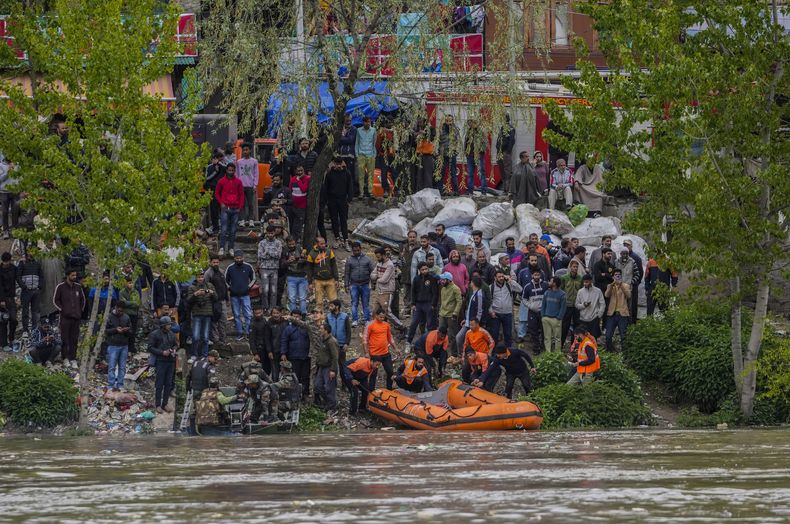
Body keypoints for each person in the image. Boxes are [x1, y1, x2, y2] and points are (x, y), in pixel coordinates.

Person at [53, 269, 85, 369]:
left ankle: (73, 359)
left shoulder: (78, 287)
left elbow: (83, 300)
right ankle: (65, 358)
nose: (74, 277)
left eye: (75, 275)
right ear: (67, 276)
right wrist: (63, 310)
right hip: (65, 318)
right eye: (72, 275)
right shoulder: (60, 287)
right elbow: (55, 300)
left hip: (76, 318)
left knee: (74, 339)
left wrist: (79, 312)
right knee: (65, 338)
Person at [363, 309, 401, 389]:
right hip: (375, 354)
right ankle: (371, 391)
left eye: (383, 317)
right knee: (373, 373)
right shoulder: (370, 325)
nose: (382, 319)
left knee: (390, 371)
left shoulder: (386, 325)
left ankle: (389, 389)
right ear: (376, 315)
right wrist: (366, 352)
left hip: (385, 353)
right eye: (380, 317)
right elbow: (365, 339)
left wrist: (396, 348)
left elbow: (390, 338)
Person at [149, 316, 178, 413]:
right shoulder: (155, 334)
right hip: (161, 361)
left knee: (168, 383)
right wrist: (162, 352)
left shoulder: (172, 334)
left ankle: (165, 403)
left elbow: (175, 344)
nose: (170, 326)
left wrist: (173, 349)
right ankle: (158, 405)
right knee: (159, 384)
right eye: (168, 324)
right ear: (163, 325)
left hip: (170, 361)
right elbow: (150, 347)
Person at [323, 155, 354, 247]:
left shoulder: (347, 173)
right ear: (334, 164)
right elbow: (326, 187)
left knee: (343, 220)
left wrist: (349, 199)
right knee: (334, 219)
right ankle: (337, 238)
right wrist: (326, 200)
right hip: (332, 200)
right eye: (337, 163)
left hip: (343, 199)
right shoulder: (329, 173)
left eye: (340, 163)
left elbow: (350, 187)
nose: (339, 166)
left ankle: (345, 239)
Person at [215, 162, 244, 257]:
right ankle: (222, 248)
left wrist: (240, 207)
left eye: (232, 170)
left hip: (235, 208)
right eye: (229, 170)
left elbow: (241, 195)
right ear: (226, 170)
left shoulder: (239, 182)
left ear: (234, 171)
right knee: (223, 229)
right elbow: (216, 193)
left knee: (233, 230)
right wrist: (221, 203)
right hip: (225, 208)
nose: (230, 172)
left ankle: (231, 248)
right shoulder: (221, 181)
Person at [281, 309, 311, 399]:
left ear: (301, 317)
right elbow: (284, 341)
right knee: (295, 376)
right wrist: (283, 353)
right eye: (294, 316)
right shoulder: (288, 329)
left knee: (305, 376)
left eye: (297, 316)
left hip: (306, 356)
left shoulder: (306, 328)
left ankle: (305, 392)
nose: (296, 318)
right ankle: (296, 394)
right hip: (293, 356)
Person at [370, 247, 403, 329]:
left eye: (378, 257)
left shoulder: (390, 265)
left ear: (384, 255)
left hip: (387, 292)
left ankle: (401, 327)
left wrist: (377, 277)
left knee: (387, 312)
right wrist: (378, 277)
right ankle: (376, 328)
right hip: (379, 291)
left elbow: (384, 280)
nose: (377, 258)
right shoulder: (379, 263)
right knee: (375, 311)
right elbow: (372, 275)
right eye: (376, 257)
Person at [225, 250, 256, 337]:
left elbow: (253, 278)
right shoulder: (230, 268)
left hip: (246, 295)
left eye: (240, 258)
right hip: (234, 296)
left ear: (243, 257)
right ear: (234, 258)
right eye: (237, 258)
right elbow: (225, 280)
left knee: (248, 314)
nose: (238, 260)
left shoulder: (248, 266)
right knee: (236, 315)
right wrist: (230, 288)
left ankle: (248, 332)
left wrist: (248, 287)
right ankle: (239, 332)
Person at [488, 268, 521, 349]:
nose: (501, 278)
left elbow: (520, 289)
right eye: (499, 277)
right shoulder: (491, 287)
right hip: (496, 314)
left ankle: (508, 352)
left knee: (508, 334)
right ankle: (495, 352)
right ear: (495, 278)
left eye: (502, 276)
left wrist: (510, 280)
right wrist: (491, 311)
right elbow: (488, 302)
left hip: (507, 313)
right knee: (495, 334)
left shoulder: (509, 285)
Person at [186, 273, 216, 358]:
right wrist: (195, 294)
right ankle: (194, 354)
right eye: (199, 277)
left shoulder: (209, 285)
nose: (200, 279)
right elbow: (188, 300)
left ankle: (204, 356)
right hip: (197, 314)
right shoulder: (192, 287)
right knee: (195, 337)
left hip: (207, 313)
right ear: (196, 278)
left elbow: (216, 298)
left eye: (202, 277)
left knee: (206, 338)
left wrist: (212, 293)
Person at [344, 241, 373, 327]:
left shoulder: (367, 259)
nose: (356, 252)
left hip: (365, 284)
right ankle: (354, 320)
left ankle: (367, 320)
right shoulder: (349, 260)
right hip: (354, 285)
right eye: (354, 250)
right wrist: (346, 285)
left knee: (365, 303)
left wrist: (373, 283)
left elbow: (373, 271)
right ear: (352, 250)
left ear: (361, 249)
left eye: (358, 250)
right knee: (354, 303)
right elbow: (347, 274)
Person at [408, 263, 439, 342]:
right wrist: (413, 304)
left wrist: (433, 304)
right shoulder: (416, 279)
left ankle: (430, 342)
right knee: (413, 323)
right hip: (418, 304)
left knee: (430, 324)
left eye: (426, 269)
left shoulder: (432, 278)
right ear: (419, 270)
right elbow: (413, 292)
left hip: (428, 304)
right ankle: (408, 341)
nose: (425, 271)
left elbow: (435, 293)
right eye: (423, 270)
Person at [105, 301, 131, 391]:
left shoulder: (126, 317)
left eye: (122, 311)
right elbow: (106, 331)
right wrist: (115, 330)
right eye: (119, 310)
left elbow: (131, 332)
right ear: (115, 308)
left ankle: (120, 384)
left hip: (124, 345)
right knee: (112, 366)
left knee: (122, 367)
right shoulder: (109, 317)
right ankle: (111, 385)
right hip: (113, 345)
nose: (120, 312)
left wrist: (126, 330)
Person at [518, 270, 547, 351]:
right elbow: (524, 299)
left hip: (543, 312)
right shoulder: (527, 286)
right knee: (533, 329)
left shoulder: (545, 285)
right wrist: (530, 306)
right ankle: (536, 347)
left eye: (538, 275)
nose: (537, 277)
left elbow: (548, 296)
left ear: (540, 275)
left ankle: (543, 346)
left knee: (543, 329)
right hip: (532, 311)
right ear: (532, 275)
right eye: (535, 275)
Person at [306, 237, 339, 308]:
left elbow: (334, 265)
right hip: (318, 281)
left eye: (324, 243)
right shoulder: (311, 254)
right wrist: (310, 282)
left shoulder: (329, 251)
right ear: (316, 244)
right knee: (319, 302)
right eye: (321, 244)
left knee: (334, 301)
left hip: (330, 279)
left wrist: (336, 279)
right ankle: (320, 318)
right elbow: (309, 269)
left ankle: (336, 318)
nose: (323, 245)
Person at [461, 317, 495, 383]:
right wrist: (463, 356)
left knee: (484, 372)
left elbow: (492, 342)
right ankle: (466, 383)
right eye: (470, 325)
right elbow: (465, 344)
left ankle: (483, 386)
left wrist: (489, 353)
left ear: (477, 324)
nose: (470, 327)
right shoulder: (468, 333)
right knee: (465, 369)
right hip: (472, 355)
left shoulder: (483, 332)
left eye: (472, 325)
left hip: (482, 356)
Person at [455, 276, 486, 350]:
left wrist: (476, 323)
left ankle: (465, 355)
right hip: (469, 322)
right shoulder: (474, 293)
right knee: (459, 338)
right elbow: (470, 309)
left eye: (471, 282)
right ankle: (463, 354)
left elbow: (479, 311)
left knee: (461, 338)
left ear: (473, 283)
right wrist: (466, 319)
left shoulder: (479, 294)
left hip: (473, 324)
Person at [314, 322, 339, 411]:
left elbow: (335, 357)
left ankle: (332, 405)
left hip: (329, 367)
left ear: (326, 331)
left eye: (321, 329)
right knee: (317, 385)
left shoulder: (332, 341)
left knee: (329, 388)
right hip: (321, 366)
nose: (319, 330)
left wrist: (333, 370)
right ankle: (327, 401)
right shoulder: (322, 339)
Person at [257, 226, 283, 311]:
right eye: (269, 233)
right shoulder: (262, 243)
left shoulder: (278, 243)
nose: (270, 235)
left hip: (274, 268)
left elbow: (278, 256)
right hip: (264, 268)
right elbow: (260, 255)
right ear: (266, 233)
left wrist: (268, 252)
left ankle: (273, 308)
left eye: (272, 233)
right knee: (265, 290)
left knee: (274, 290)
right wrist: (271, 253)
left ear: (274, 233)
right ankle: (265, 307)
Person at [605, 268, 631, 352]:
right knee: (608, 336)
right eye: (616, 275)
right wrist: (611, 285)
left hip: (622, 314)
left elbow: (628, 295)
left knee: (623, 336)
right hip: (611, 314)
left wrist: (621, 285)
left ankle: (624, 354)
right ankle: (610, 352)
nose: (617, 277)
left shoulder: (626, 285)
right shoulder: (610, 286)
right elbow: (606, 295)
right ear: (613, 276)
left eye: (619, 275)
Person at [437, 271, 462, 359]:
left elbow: (459, 302)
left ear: (449, 280)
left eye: (443, 280)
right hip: (442, 313)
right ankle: (440, 351)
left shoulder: (456, 289)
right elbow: (441, 301)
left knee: (452, 335)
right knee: (440, 333)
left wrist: (455, 313)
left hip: (451, 315)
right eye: (441, 280)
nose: (441, 281)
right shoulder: (443, 288)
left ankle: (453, 354)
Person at [204, 256, 229, 344]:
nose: (216, 264)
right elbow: (205, 287)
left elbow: (225, 286)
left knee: (223, 320)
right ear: (210, 263)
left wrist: (227, 298)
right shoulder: (208, 273)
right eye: (214, 262)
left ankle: (223, 338)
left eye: (217, 262)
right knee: (214, 320)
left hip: (222, 300)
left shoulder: (222, 271)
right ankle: (215, 339)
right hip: (213, 301)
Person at [17, 251, 42, 334]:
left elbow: (41, 275)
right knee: (25, 311)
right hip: (26, 291)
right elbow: (18, 276)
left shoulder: (37, 263)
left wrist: (39, 286)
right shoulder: (22, 263)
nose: (32, 253)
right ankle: (25, 330)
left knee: (35, 311)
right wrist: (23, 287)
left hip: (36, 291)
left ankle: (35, 329)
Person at [560, 260, 583, 345]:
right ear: (570, 267)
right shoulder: (564, 278)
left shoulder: (580, 278)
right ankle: (561, 344)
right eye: (574, 266)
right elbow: (561, 290)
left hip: (577, 305)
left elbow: (582, 291)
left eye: (577, 267)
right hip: (567, 304)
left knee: (577, 325)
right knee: (565, 325)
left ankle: (574, 344)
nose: (575, 268)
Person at [541, 277, 567, 352]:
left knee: (557, 338)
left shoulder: (562, 294)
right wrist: (543, 316)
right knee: (547, 337)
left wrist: (559, 317)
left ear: (554, 284)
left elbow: (563, 308)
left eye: (551, 281)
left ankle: (557, 354)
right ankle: (548, 353)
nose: (549, 282)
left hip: (556, 319)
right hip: (546, 318)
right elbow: (543, 305)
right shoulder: (547, 292)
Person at [575, 273, 606, 338]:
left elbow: (602, 304)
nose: (585, 284)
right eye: (584, 282)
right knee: (583, 338)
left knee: (593, 338)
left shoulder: (598, 291)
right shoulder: (580, 291)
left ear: (591, 281)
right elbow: (577, 305)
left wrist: (599, 315)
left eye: (586, 282)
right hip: (583, 319)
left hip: (594, 318)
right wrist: (584, 305)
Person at [235, 143, 259, 227]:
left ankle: (251, 219)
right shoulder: (239, 162)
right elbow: (237, 174)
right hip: (241, 186)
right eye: (243, 150)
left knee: (250, 204)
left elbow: (256, 174)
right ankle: (242, 220)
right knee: (241, 204)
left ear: (250, 150)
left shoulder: (254, 161)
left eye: (246, 150)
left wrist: (255, 185)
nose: (245, 151)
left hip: (250, 186)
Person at [284, 236, 309, 314]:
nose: (292, 246)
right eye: (290, 244)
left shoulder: (300, 249)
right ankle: (293, 314)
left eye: (293, 244)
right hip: (291, 276)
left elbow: (308, 261)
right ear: (287, 244)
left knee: (302, 298)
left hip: (302, 276)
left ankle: (303, 314)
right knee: (292, 297)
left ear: (295, 243)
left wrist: (304, 258)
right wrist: (288, 261)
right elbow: (282, 264)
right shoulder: (285, 250)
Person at [204, 151, 226, 234]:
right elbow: (206, 178)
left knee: (223, 210)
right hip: (212, 190)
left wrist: (219, 165)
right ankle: (215, 227)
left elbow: (228, 171)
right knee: (213, 210)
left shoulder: (222, 166)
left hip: (221, 191)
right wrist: (215, 172)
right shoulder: (209, 167)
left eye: (216, 158)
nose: (214, 160)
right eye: (213, 158)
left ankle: (223, 227)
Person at [438, 114, 461, 195]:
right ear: (445, 121)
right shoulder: (441, 129)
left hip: (452, 154)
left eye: (450, 121)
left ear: (452, 121)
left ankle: (456, 191)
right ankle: (440, 190)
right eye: (447, 121)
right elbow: (438, 141)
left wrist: (455, 150)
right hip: (443, 154)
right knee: (441, 173)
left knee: (453, 173)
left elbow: (457, 141)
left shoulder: (455, 129)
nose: (449, 122)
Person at [354, 117, 376, 198]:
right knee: (361, 175)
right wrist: (357, 154)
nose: (368, 124)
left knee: (371, 174)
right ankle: (361, 192)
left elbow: (374, 143)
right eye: (366, 122)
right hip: (361, 155)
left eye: (369, 122)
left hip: (370, 155)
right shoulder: (359, 130)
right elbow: (357, 142)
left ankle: (370, 192)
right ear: (363, 122)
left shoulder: (373, 130)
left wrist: (374, 154)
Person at [464, 117, 487, 195]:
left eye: (471, 122)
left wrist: (480, 151)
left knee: (481, 174)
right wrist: (466, 152)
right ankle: (470, 191)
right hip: (470, 156)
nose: (470, 124)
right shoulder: (468, 131)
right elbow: (466, 142)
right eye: (469, 123)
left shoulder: (481, 132)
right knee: (470, 174)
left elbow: (485, 143)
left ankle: (484, 192)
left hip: (479, 156)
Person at [338, 115, 359, 196]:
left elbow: (350, 140)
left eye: (350, 120)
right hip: (340, 155)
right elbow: (337, 140)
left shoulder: (354, 129)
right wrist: (343, 139)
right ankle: (343, 192)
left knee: (350, 174)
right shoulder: (339, 128)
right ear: (344, 120)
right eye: (347, 120)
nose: (349, 121)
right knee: (341, 175)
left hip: (350, 154)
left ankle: (351, 193)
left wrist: (342, 138)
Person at [0, 252, 17, 350]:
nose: (7, 264)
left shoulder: (13, 268)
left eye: (8, 262)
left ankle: (11, 338)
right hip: (2, 298)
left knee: (14, 320)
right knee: (3, 322)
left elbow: (17, 278)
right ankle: (4, 344)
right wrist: (1, 300)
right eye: (5, 262)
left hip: (11, 298)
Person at [288, 165, 310, 239]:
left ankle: (296, 240)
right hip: (293, 206)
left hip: (301, 207)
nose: (300, 172)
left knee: (298, 226)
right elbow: (290, 190)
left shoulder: (307, 178)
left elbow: (304, 189)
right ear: (295, 171)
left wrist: (298, 180)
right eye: (298, 171)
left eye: (301, 171)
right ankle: (291, 239)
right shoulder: (293, 179)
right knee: (292, 224)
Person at [496, 115, 516, 192]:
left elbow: (511, 141)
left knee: (507, 172)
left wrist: (508, 151)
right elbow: (499, 140)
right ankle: (505, 189)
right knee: (502, 171)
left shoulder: (511, 128)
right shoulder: (502, 127)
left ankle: (507, 190)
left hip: (505, 152)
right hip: (500, 153)